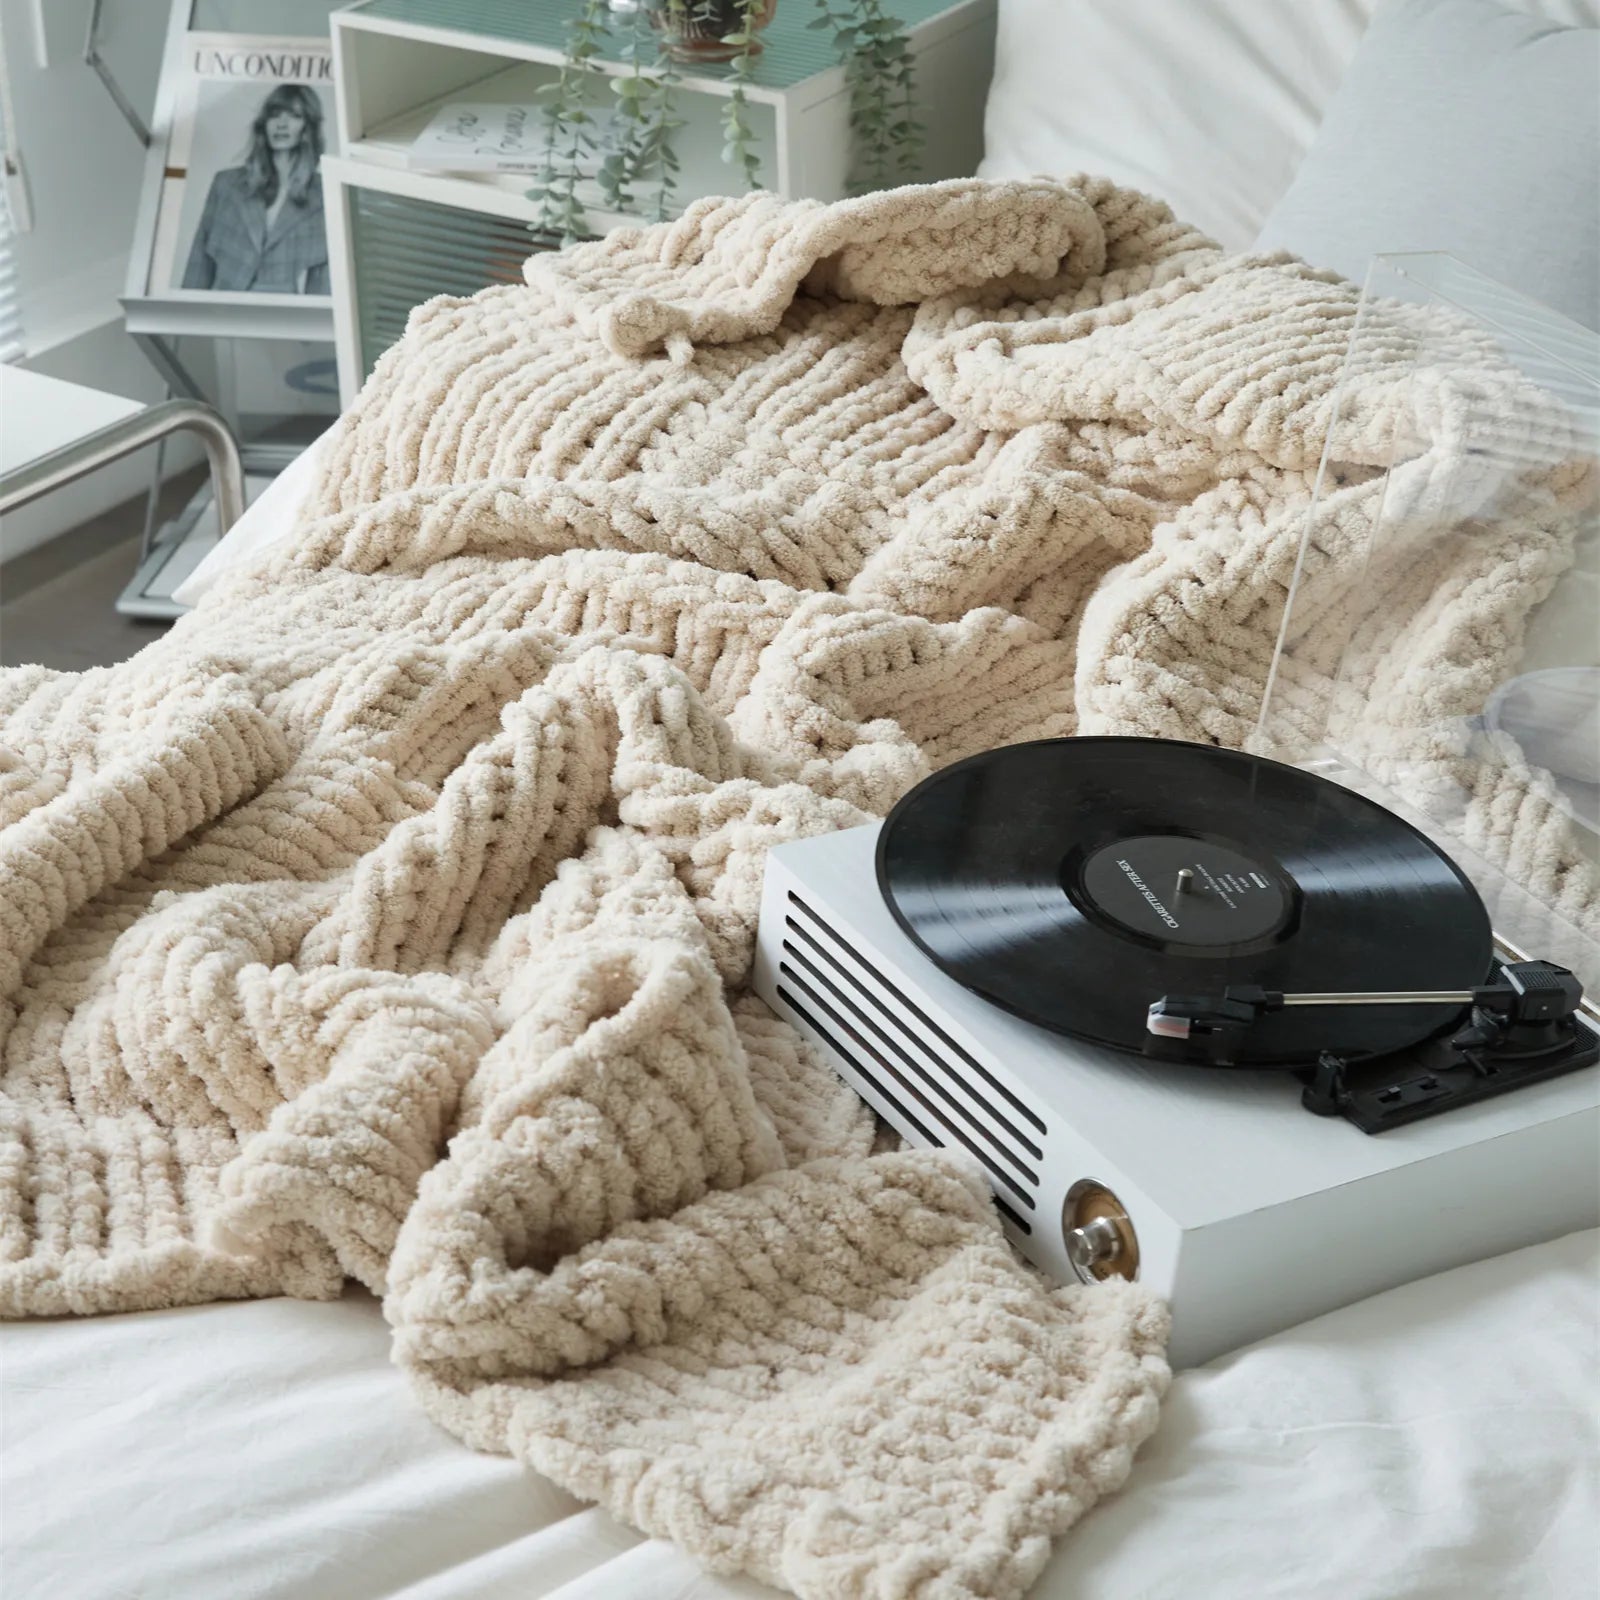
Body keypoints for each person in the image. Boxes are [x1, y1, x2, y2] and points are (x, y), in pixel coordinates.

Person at [182, 83, 329, 294]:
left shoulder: (325, 194)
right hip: (223, 306)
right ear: (264, 124)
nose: (281, 124)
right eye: (274, 115)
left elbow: (323, 281)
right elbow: (199, 262)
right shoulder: (227, 184)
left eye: (294, 116)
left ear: (308, 127)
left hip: (284, 311)